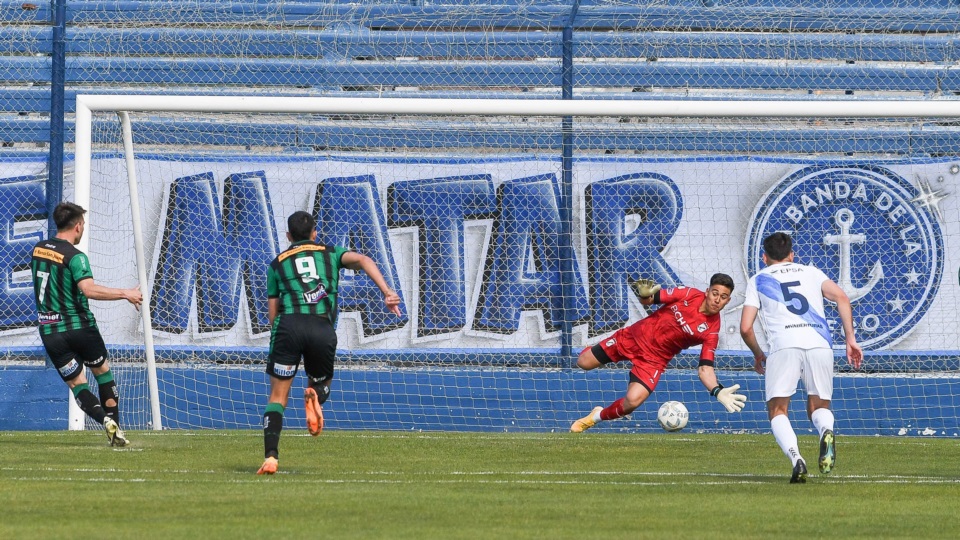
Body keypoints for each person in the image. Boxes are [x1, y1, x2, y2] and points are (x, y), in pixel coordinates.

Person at [257, 210, 402, 475]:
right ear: (315, 233)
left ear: (288, 236)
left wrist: (283, 331)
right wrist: (387, 291)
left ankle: (271, 457)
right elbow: (364, 259)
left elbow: (271, 315)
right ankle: (316, 394)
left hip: (288, 327)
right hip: (321, 327)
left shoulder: (277, 264)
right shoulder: (330, 252)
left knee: (277, 397)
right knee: (322, 382)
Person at [740, 232, 863, 484]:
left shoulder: (758, 279)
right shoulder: (811, 272)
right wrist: (850, 339)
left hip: (784, 346)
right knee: (818, 407)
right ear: (792, 255)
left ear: (764, 257)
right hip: (819, 344)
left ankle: (797, 459)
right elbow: (841, 296)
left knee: (777, 410)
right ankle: (826, 430)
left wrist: (758, 354)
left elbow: (745, 328)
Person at [571, 273, 747, 434]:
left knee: (632, 402)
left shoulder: (712, 331)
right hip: (632, 338)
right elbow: (648, 300)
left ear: (728, 301)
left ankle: (593, 417)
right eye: (715, 293)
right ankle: (593, 349)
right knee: (583, 363)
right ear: (707, 291)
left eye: (723, 297)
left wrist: (717, 390)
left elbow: (704, 369)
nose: (717, 299)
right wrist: (645, 294)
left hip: (653, 361)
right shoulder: (688, 294)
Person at [30, 202, 143, 446]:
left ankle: (104, 421)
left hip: (51, 332)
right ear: (78, 226)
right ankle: (116, 433)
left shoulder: (37, 249)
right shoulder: (75, 257)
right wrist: (125, 293)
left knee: (77, 384)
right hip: (80, 327)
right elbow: (88, 290)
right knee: (103, 375)